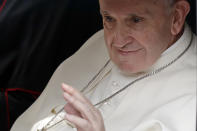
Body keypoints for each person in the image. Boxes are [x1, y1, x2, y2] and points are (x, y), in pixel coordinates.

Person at [11, 0, 196, 130]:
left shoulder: (191, 102)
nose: (118, 41)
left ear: (176, 17)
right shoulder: (98, 41)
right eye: (109, 18)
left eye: (136, 20)